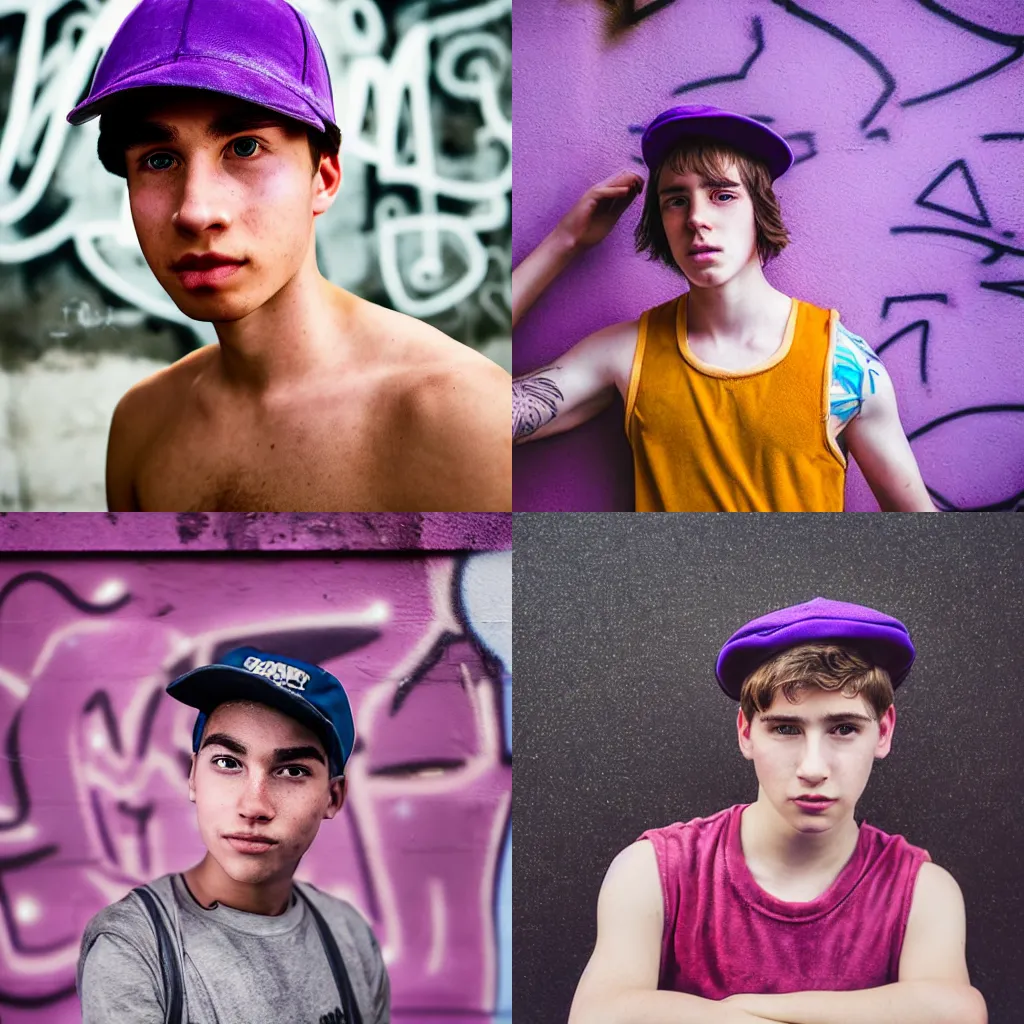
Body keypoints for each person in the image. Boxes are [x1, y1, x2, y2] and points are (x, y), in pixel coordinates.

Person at [67, 0, 510, 512]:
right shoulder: (141, 426)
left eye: (245, 148)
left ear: (322, 179)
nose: (195, 210)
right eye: (159, 160)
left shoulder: (458, 416)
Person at [567, 597, 986, 1024]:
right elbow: (598, 1015)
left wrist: (742, 1009)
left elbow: (956, 1013)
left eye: (844, 729)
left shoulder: (921, 892)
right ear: (747, 732)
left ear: (883, 731)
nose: (813, 768)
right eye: (786, 728)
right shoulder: (655, 870)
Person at [512, 104, 934, 512]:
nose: (696, 217)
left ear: (759, 211)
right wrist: (564, 243)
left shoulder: (843, 364)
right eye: (676, 200)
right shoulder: (625, 352)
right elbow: (464, 403)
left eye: (722, 195)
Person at [77, 646, 389, 1023]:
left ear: (333, 796)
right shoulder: (136, 948)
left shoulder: (349, 937)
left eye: (291, 771)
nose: (253, 805)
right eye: (227, 763)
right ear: (193, 776)